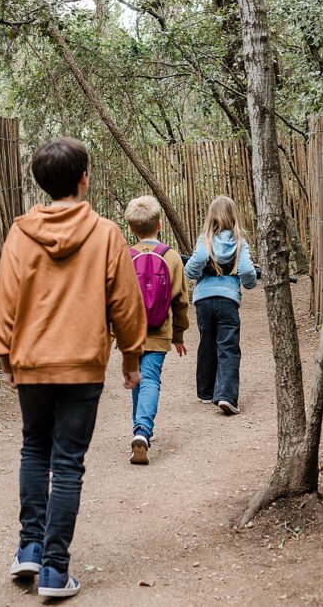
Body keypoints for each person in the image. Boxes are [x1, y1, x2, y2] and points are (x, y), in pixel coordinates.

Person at [0, 137, 146, 599]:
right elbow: (126, 304)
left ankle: (30, 549)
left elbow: (5, 300)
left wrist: (6, 358)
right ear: (84, 177)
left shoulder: (21, 233)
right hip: (82, 366)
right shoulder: (104, 233)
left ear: (41, 182)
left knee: (34, 450)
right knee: (68, 463)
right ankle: (55, 571)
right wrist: (131, 360)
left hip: (32, 363)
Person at [122, 196, 189, 465]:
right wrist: (179, 334)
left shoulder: (124, 257)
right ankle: (142, 431)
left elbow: (116, 298)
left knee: (138, 378)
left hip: (130, 332)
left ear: (131, 228)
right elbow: (181, 300)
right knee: (149, 378)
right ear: (160, 224)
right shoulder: (171, 257)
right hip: (159, 331)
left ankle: (140, 429)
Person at [183, 196, 257, 415]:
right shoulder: (240, 241)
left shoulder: (204, 239)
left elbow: (194, 264)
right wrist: (249, 282)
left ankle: (206, 392)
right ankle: (225, 395)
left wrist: (194, 273)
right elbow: (245, 270)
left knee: (207, 342)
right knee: (228, 346)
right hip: (228, 300)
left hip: (203, 300)